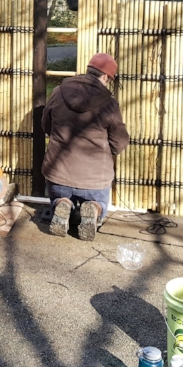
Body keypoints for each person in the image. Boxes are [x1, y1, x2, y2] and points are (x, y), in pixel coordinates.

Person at [42, 52, 129, 241]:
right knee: (98, 202)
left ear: (89, 70)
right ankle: (94, 208)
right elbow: (120, 144)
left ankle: (61, 203)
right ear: (106, 76)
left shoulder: (58, 92)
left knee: (59, 198)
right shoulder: (109, 104)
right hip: (94, 180)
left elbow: (46, 126)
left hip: (58, 175)